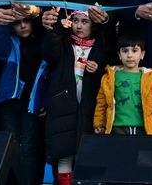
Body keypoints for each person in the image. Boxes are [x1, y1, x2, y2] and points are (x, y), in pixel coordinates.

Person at [41, 10, 109, 185]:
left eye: (85, 21)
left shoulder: (101, 47)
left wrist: (99, 70)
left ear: (93, 25)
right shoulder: (64, 42)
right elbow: (49, 54)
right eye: (75, 20)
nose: (79, 25)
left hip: (88, 107)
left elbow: (109, 77)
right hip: (63, 106)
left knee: (87, 155)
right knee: (64, 153)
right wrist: (57, 31)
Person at [0, 17, 47, 185]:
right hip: (10, 103)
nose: (22, 26)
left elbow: (50, 73)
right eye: (16, 23)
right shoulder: (10, 43)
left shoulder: (42, 42)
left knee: (30, 147)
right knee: (11, 147)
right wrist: (5, 22)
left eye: (26, 21)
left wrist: (44, 100)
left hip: (33, 102)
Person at [93, 33, 152, 135]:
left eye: (134, 51)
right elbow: (102, 104)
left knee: (144, 151)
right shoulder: (109, 77)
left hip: (145, 130)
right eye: (125, 51)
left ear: (142, 54)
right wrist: (99, 125)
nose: (129, 55)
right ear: (119, 55)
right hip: (117, 129)